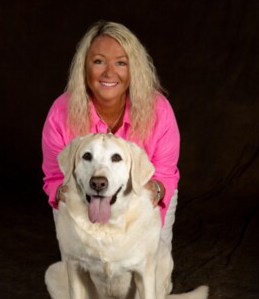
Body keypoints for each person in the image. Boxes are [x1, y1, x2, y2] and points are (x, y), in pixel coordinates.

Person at [41, 20, 180, 252]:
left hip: (141, 198)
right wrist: (66, 196)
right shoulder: (60, 112)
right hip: (83, 198)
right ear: (84, 67)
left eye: (121, 63)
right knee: (88, 277)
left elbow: (164, 174)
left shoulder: (160, 110)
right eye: (98, 61)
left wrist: (151, 195)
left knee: (152, 274)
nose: (109, 72)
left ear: (133, 68)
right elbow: (56, 176)